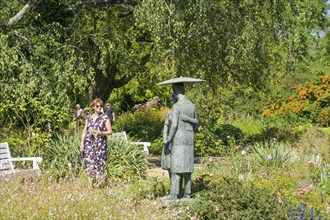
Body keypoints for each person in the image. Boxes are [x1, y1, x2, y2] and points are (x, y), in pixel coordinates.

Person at [162, 83, 198, 201]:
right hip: (189, 138)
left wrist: (168, 139)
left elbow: (174, 126)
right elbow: (196, 123)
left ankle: (174, 194)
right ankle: (187, 194)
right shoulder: (192, 106)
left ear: (175, 92)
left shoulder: (177, 106)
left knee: (176, 166)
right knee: (187, 165)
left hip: (178, 138)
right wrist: (188, 119)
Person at [80, 98, 112, 187]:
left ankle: (101, 183)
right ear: (93, 107)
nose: (99, 108)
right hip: (89, 143)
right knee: (89, 162)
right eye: (97, 106)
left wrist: (101, 132)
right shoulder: (89, 117)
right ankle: (90, 185)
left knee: (99, 162)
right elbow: (84, 131)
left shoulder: (104, 117)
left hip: (100, 144)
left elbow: (110, 132)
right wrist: (82, 143)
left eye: (101, 106)